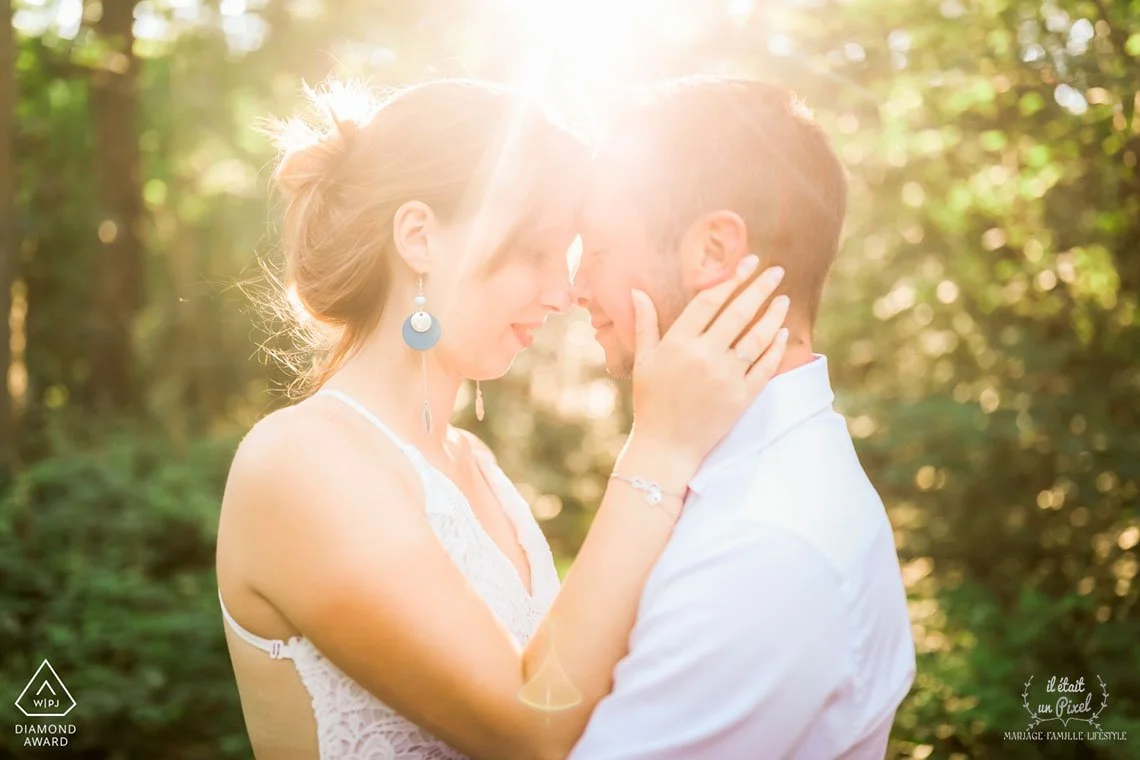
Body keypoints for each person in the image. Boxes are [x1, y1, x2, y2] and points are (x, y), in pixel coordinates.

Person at [215, 78, 791, 760]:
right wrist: (660, 447)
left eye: (570, 260)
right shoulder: (297, 463)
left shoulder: (477, 468)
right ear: (420, 237)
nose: (562, 293)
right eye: (535, 253)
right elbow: (532, 726)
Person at [566, 76, 917, 759]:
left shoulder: (764, 549)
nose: (576, 288)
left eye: (599, 249)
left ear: (714, 252)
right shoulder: (735, 477)